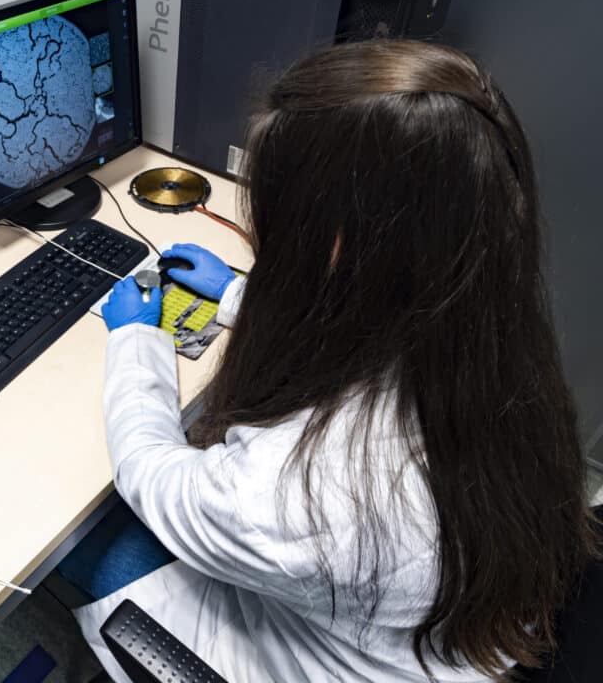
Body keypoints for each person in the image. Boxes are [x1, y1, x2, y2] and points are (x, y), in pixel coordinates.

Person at [59, 39, 599, 682]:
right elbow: (377, 337)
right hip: (455, 633)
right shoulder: (498, 349)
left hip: (324, 654)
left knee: (82, 536)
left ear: (340, 246)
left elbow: (155, 475)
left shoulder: (301, 491)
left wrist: (135, 340)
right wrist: (239, 295)